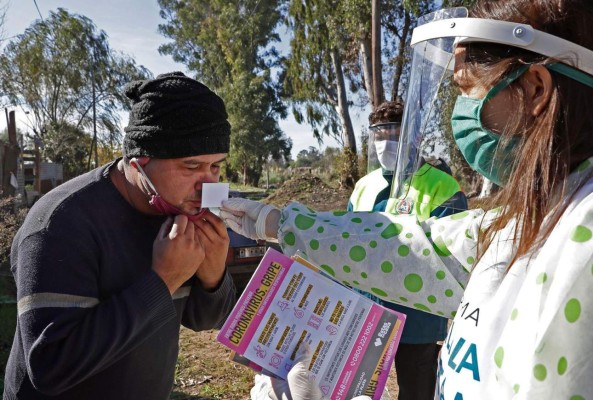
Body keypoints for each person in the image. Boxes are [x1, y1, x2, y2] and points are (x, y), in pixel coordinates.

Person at [221, 0, 593, 398]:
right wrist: (277, 223)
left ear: (535, 87)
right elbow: (410, 246)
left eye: (467, 91)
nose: (460, 116)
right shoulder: (533, 217)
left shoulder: (581, 236)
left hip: (415, 330)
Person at [3, 72, 237, 399]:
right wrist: (163, 281)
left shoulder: (178, 211)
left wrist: (213, 276)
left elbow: (204, 320)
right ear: (140, 158)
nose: (207, 184)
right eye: (191, 165)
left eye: (215, 167)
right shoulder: (60, 224)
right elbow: (50, 367)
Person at [349, 100, 467, 400]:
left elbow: (450, 256)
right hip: (366, 313)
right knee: (356, 390)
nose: (385, 142)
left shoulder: (443, 187)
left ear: (415, 137)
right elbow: (345, 243)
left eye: (394, 133)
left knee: (416, 392)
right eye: (379, 134)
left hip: (417, 319)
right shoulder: (364, 185)